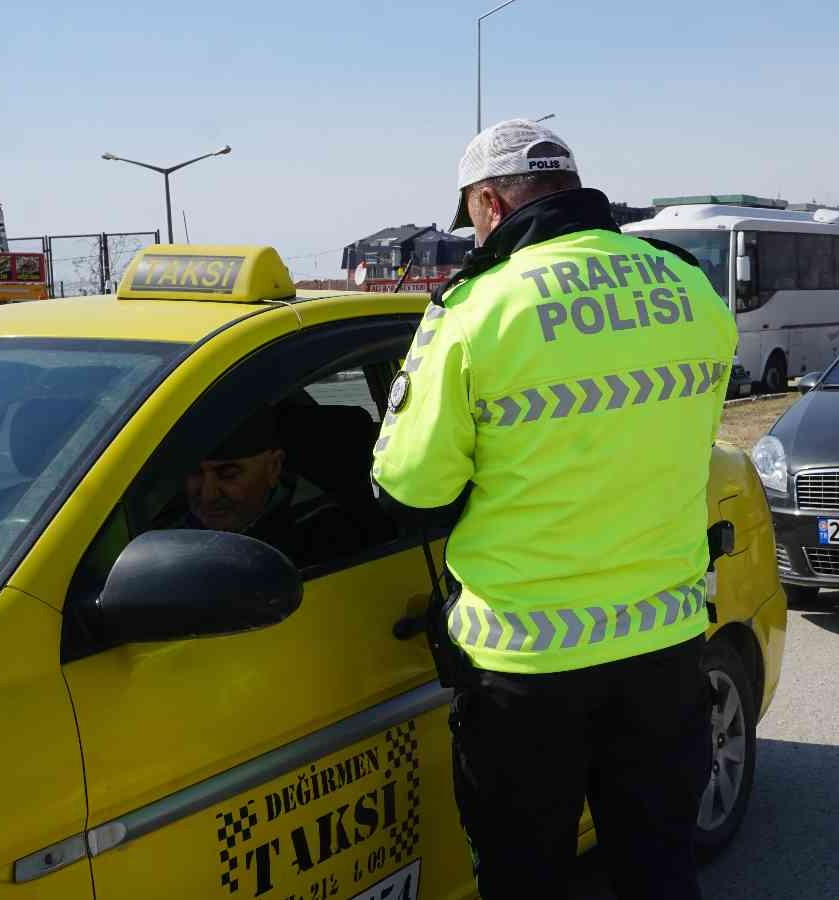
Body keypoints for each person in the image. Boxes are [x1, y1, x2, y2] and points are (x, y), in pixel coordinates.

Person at [370, 119, 738, 900]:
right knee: (659, 868)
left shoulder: (476, 308)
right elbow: (688, 439)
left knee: (524, 876)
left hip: (526, 669)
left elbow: (411, 491)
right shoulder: (688, 286)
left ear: (492, 203)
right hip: (666, 648)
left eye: (471, 211)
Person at [179, 406, 363, 569]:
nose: (208, 495)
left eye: (228, 474)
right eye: (196, 473)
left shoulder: (323, 538)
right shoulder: (167, 513)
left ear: (273, 468)